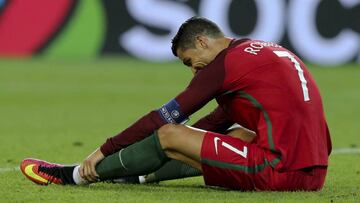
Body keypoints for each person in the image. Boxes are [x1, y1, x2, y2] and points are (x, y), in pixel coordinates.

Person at [20, 16, 331, 191]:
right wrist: (176, 148)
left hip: (282, 171)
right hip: (313, 170)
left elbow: (162, 120)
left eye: (189, 61)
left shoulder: (225, 65)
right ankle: (138, 173)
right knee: (233, 135)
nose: (193, 69)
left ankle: (72, 175)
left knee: (169, 134)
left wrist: (104, 149)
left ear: (201, 42)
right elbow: (214, 123)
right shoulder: (257, 51)